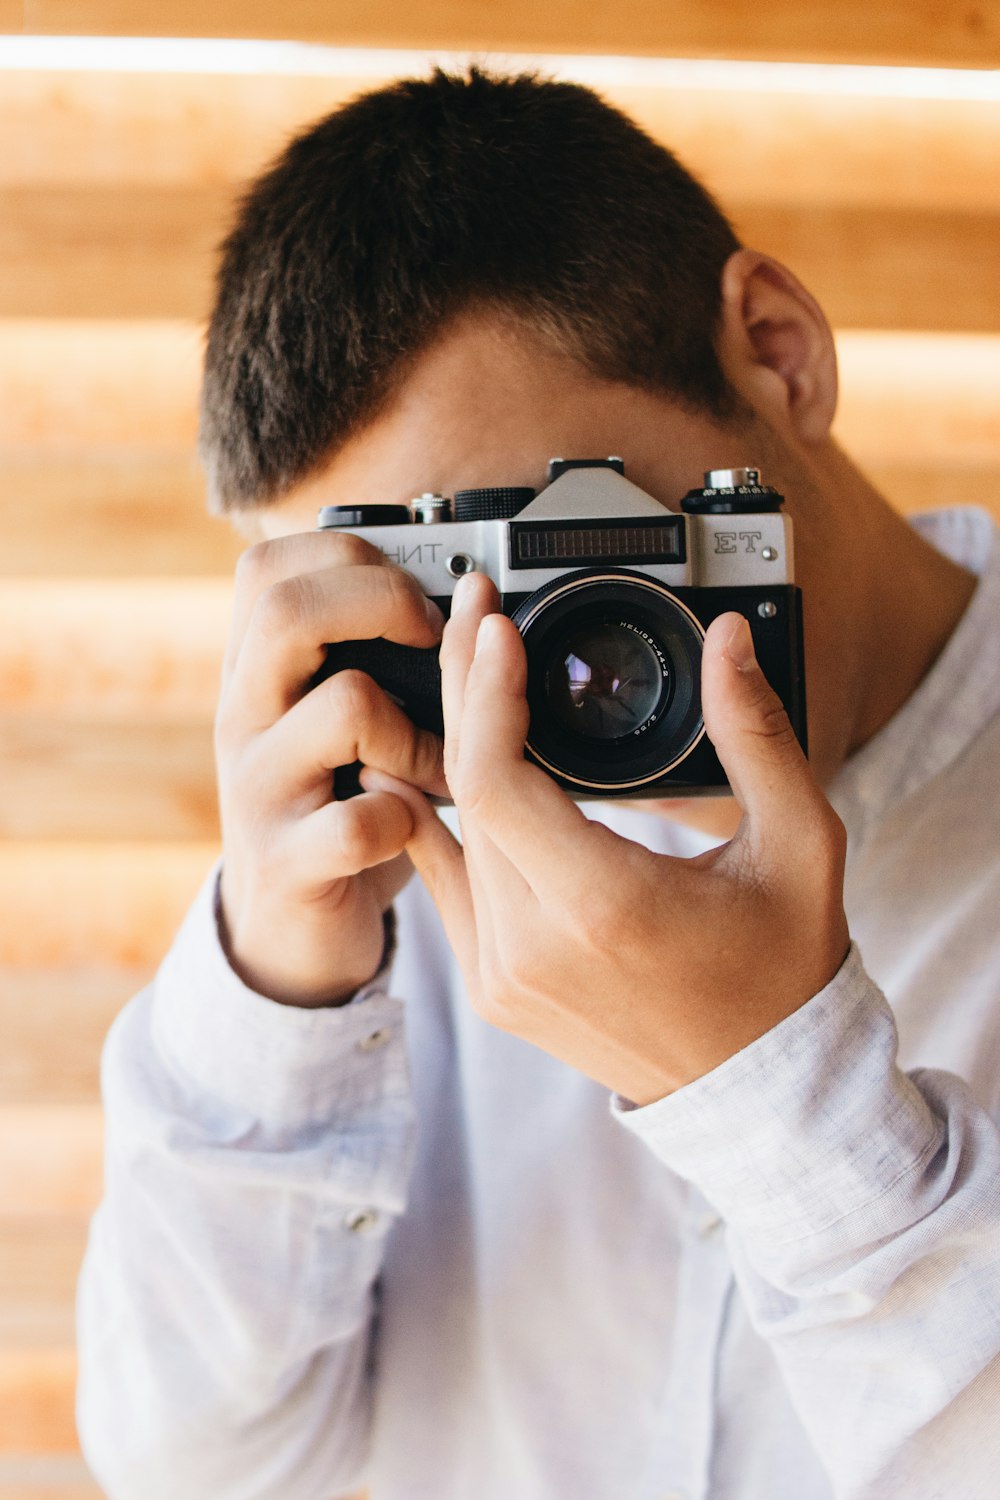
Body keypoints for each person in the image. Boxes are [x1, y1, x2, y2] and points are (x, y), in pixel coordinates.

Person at [77, 68, 1000, 1500]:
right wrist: (278, 998)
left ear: (778, 351)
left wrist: (772, 1092)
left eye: (560, 549)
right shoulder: (401, 840)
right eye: (431, 599)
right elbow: (202, 1469)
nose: (522, 671)